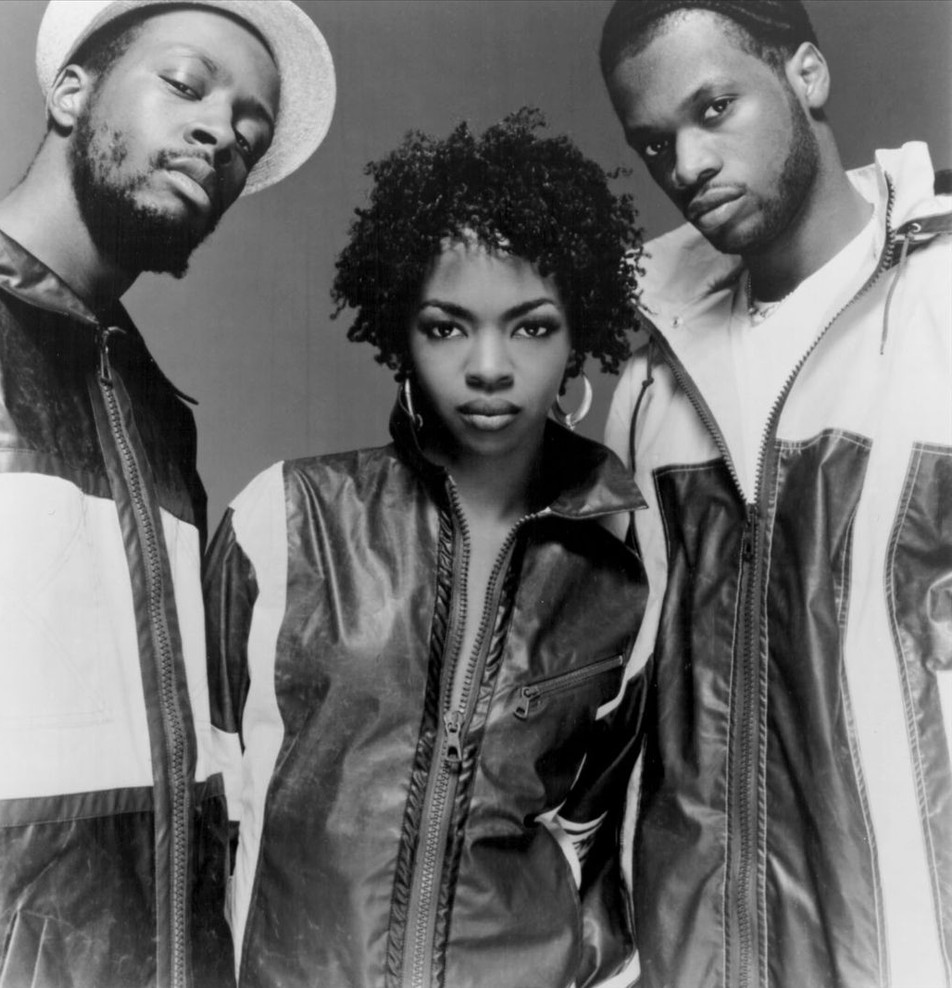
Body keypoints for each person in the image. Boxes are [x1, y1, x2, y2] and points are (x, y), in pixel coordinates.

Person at [203, 110, 647, 988]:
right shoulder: (286, 518)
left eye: (531, 326)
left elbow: (600, 841)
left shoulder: (620, 567)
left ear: (577, 341)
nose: (489, 366)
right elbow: (200, 803)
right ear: (400, 332)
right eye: (448, 326)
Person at [0, 2, 335, 986]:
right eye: (185, 84)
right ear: (70, 92)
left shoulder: (156, 409)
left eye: (248, 134)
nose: (220, 135)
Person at [597, 1, 952, 986]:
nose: (686, 165)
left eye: (714, 108)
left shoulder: (942, 307)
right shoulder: (649, 367)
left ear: (805, 74)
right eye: (653, 142)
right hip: (688, 956)